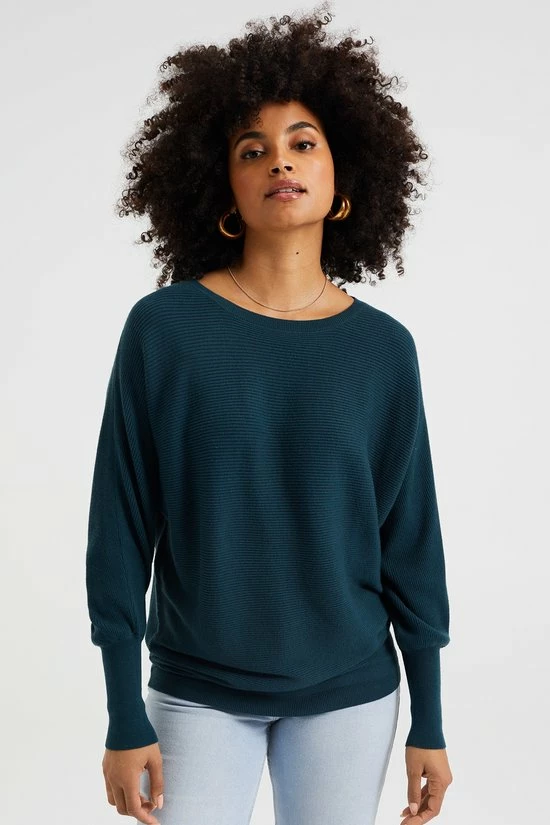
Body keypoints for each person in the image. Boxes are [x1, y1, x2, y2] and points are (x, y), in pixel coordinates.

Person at [85, 5, 453, 824]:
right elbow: (120, 525)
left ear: (342, 177)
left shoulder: (383, 349)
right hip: (195, 690)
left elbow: (411, 541)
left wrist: (428, 717)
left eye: (302, 142)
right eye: (252, 150)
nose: (279, 160)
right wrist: (121, 708)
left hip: (352, 693)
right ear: (224, 187)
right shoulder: (165, 329)